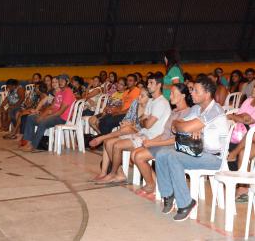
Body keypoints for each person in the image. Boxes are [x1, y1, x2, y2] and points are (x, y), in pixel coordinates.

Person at [155, 76, 228, 220]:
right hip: (196, 151)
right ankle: (168, 194)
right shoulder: (196, 108)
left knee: (173, 157)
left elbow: (184, 126)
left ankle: (185, 203)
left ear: (207, 94)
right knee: (161, 154)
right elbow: (175, 126)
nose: (192, 93)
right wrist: (188, 127)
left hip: (214, 158)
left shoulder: (215, 110)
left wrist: (189, 127)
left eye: (195, 91)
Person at [95, 73, 171, 184]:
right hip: (142, 133)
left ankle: (113, 174)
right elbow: (142, 120)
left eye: (151, 83)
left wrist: (144, 121)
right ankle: (118, 173)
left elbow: (147, 124)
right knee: (108, 142)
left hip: (151, 137)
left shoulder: (161, 103)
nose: (148, 85)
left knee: (116, 145)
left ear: (159, 85)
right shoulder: (151, 101)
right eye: (148, 83)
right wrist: (144, 120)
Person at [131, 83, 194, 195]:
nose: (170, 96)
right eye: (170, 93)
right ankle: (156, 183)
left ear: (183, 96)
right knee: (134, 153)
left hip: (173, 146)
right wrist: (151, 141)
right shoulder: (174, 112)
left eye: (173, 94)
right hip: (165, 142)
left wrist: (153, 143)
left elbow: (177, 139)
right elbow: (165, 134)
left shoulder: (188, 113)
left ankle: (151, 185)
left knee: (139, 156)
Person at [21, 74, 75, 152]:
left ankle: (34, 146)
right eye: (59, 80)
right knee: (31, 117)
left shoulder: (68, 93)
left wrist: (44, 117)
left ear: (67, 82)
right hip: (54, 115)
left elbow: (60, 112)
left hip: (62, 118)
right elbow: (51, 107)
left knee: (43, 122)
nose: (60, 82)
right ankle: (28, 142)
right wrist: (41, 114)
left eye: (63, 80)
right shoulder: (59, 93)